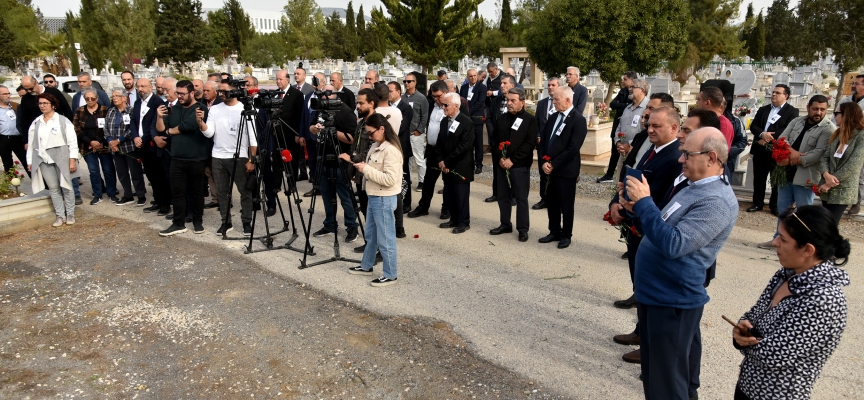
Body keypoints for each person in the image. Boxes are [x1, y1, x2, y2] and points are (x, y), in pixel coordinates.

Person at [621, 127, 738, 400]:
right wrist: (636, 209)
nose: (680, 159)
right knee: (656, 376)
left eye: (687, 153)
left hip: (672, 301)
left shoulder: (715, 202)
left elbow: (675, 244)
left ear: (711, 157)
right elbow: (662, 227)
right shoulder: (693, 188)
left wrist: (646, 203)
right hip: (657, 296)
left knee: (667, 385)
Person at [732, 205, 850, 400]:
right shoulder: (785, 275)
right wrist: (741, 329)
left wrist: (744, 340)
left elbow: (775, 354)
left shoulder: (824, 298)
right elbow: (753, 315)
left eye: (783, 239)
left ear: (807, 250)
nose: (775, 242)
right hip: (748, 387)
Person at [756, 95, 835, 249]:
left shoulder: (827, 128)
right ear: (808, 108)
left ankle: (801, 243)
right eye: (815, 109)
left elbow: (819, 153)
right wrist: (793, 153)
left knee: (804, 212)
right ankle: (778, 240)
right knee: (783, 208)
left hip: (806, 175)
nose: (818, 112)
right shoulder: (797, 121)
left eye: (822, 109)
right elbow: (782, 140)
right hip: (785, 172)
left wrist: (794, 158)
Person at [342, 113, 403, 287]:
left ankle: (391, 274)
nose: (369, 137)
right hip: (374, 196)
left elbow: (390, 179)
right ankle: (366, 265)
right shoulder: (377, 145)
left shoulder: (391, 150)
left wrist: (366, 169)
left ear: (382, 129)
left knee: (386, 238)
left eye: (371, 133)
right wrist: (358, 162)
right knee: (371, 235)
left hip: (384, 198)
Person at [156, 80, 212, 236]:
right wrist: (159, 117)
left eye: (182, 94)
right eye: (177, 93)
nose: (179, 96)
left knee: (197, 192)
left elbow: (189, 126)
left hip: (196, 158)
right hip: (177, 159)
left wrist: (169, 131)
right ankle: (178, 223)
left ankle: (197, 221)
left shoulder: (200, 108)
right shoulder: (174, 109)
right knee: (177, 192)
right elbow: (161, 128)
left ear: (192, 93)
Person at [203, 80, 258, 236]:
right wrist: (201, 123)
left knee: (244, 191)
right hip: (218, 156)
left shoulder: (245, 109)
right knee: (222, 192)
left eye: (224, 91)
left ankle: (247, 222)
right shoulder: (214, 109)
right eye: (219, 90)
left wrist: (251, 159)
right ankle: (226, 222)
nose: (221, 93)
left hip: (239, 157)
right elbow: (209, 133)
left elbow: (252, 137)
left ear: (234, 91)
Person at [537, 86, 587, 249]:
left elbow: (573, 148)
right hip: (548, 168)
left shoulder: (578, 120)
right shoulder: (552, 117)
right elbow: (543, 141)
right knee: (551, 202)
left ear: (567, 100)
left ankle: (566, 235)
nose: (554, 102)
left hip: (565, 170)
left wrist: (554, 164)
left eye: (556, 99)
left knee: (566, 205)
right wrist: (544, 161)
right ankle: (554, 231)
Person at [309, 85, 359, 242]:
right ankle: (330, 225)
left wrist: (333, 132)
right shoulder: (321, 109)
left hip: (340, 160)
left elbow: (352, 138)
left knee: (345, 196)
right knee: (326, 195)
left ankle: (352, 227)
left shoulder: (345, 112)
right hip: (322, 157)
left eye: (327, 94)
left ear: (336, 95)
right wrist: (316, 129)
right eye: (322, 95)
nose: (323, 97)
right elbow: (310, 128)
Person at [489, 87, 537, 242]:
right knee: (503, 196)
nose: (509, 103)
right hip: (502, 165)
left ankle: (523, 229)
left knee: (521, 198)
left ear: (522, 103)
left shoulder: (530, 120)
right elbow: (494, 141)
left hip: (519, 166)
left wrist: (512, 160)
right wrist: (500, 159)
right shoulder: (502, 119)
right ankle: (505, 224)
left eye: (513, 101)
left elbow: (529, 144)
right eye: (508, 100)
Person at [26, 93, 79, 227]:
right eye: (40, 103)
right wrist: (30, 161)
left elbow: (72, 142)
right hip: (44, 159)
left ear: (53, 105)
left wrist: (72, 159)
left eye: (45, 103)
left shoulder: (62, 120)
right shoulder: (36, 122)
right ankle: (60, 216)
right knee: (54, 189)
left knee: (67, 187)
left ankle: (70, 214)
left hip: (61, 157)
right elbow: (31, 144)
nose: (42, 106)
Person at [748, 84, 799, 215]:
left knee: (776, 179)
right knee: (759, 178)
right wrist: (761, 134)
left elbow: (787, 129)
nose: (774, 94)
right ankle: (757, 203)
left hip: (777, 150)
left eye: (778, 93)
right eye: (773, 92)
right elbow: (754, 125)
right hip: (760, 149)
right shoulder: (763, 109)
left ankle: (774, 205)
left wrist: (768, 137)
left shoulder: (792, 111)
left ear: (785, 96)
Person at [408, 81, 450, 220]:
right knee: (428, 180)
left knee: (447, 181)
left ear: (446, 92)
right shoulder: (431, 105)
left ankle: (446, 208)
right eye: (434, 96)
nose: (436, 99)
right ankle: (423, 206)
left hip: (446, 151)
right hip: (432, 149)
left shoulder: (453, 105)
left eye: (438, 96)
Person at [818, 102, 864, 225]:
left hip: (843, 189)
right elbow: (825, 157)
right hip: (827, 187)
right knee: (825, 224)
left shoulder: (861, 136)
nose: (834, 116)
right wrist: (826, 175)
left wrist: (829, 183)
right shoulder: (838, 134)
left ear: (846, 115)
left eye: (837, 113)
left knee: (831, 225)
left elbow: (853, 164)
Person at [72, 87, 118, 204]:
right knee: (93, 171)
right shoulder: (80, 111)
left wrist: (98, 141)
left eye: (92, 98)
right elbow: (77, 129)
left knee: (108, 169)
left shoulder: (105, 110)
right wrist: (90, 142)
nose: (90, 100)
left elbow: (108, 128)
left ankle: (112, 192)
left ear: (97, 98)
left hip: (103, 145)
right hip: (87, 146)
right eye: (87, 98)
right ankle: (97, 194)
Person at [130, 78, 169, 211]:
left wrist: (143, 139)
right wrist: (135, 136)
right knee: (150, 175)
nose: (140, 89)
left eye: (143, 86)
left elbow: (153, 124)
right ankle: (157, 201)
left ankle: (165, 204)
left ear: (150, 87)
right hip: (141, 145)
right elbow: (134, 121)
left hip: (152, 144)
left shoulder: (157, 102)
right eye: (138, 86)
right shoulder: (137, 103)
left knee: (159, 175)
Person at [438, 92, 475, 234]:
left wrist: (447, 162)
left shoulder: (467, 123)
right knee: (449, 194)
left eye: (446, 105)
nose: (444, 108)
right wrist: (441, 161)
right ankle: (453, 219)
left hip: (460, 166)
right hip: (446, 165)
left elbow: (464, 147)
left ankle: (463, 222)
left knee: (461, 196)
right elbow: (440, 143)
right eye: (443, 105)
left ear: (456, 106)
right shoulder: (444, 121)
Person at [104, 88, 143, 206]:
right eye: (113, 96)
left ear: (125, 98)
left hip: (129, 147)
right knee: (122, 173)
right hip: (115, 148)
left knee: (135, 172)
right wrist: (111, 141)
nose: (114, 98)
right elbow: (105, 128)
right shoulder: (111, 111)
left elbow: (133, 129)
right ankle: (128, 195)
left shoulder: (131, 111)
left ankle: (141, 195)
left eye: (117, 96)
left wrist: (119, 140)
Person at [598, 72, 637, 183]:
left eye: (625, 79)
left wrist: (623, 105)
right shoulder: (622, 91)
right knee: (614, 151)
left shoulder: (633, 94)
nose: (623, 81)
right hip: (618, 125)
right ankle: (609, 174)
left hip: (628, 127)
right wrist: (625, 105)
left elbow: (631, 105)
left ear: (632, 80)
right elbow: (613, 104)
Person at [835, 74, 864, 215]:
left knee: (858, 173)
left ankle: (856, 201)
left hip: (859, 139)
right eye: (854, 83)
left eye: (857, 83)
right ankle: (838, 195)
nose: (853, 86)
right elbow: (837, 117)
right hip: (843, 138)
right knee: (839, 166)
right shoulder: (846, 100)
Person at [485, 75, 516, 202]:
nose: (501, 85)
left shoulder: (517, 101)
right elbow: (489, 118)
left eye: (505, 83)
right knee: (497, 167)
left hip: (511, 141)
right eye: (501, 83)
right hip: (497, 140)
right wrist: (493, 136)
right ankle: (496, 193)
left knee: (512, 168)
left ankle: (513, 195)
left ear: (512, 86)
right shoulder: (496, 101)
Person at [533, 78, 560, 209]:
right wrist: (537, 134)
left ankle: (556, 200)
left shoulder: (561, 104)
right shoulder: (542, 103)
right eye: (548, 85)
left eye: (553, 85)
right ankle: (544, 198)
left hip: (556, 145)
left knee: (555, 172)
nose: (550, 87)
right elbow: (536, 122)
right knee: (543, 172)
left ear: (559, 87)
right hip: (542, 144)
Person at [388, 80, 414, 218]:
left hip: (401, 146)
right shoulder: (386, 107)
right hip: (389, 146)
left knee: (404, 176)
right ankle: (394, 201)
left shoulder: (406, 108)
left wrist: (386, 133)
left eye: (391, 91)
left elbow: (401, 128)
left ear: (398, 92)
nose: (388, 93)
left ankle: (407, 202)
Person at [402, 72, 429, 192]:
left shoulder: (421, 98)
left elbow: (424, 116)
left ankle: (422, 181)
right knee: (406, 159)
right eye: (405, 81)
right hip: (404, 134)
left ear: (415, 83)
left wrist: (419, 130)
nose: (406, 84)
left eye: (409, 81)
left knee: (419, 159)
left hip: (416, 134)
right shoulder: (402, 98)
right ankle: (408, 179)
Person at [460, 69, 487, 175]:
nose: (473, 78)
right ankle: (468, 163)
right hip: (465, 119)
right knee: (467, 142)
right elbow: (461, 101)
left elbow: (480, 102)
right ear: (467, 77)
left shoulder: (482, 87)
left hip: (476, 118)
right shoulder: (464, 87)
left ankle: (479, 164)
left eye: (475, 75)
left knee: (478, 142)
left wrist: (468, 112)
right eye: (471, 76)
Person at [0, 85, 29, 177]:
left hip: (18, 138)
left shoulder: (15, 106)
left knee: (26, 160)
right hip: (3, 139)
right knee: (7, 162)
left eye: (8, 93)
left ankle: (38, 182)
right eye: (4, 94)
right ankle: (11, 184)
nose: (7, 96)